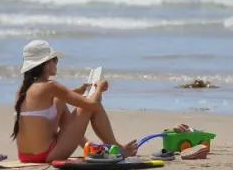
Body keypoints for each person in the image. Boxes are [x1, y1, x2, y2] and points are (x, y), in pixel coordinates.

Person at [11, 40, 139, 163]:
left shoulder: (22, 90)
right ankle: (118, 149)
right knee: (92, 107)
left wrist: (80, 90)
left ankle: (89, 146)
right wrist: (99, 88)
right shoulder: (50, 86)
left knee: (60, 102)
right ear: (46, 63)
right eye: (55, 60)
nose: (56, 63)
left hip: (24, 156)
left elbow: (56, 98)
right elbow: (92, 105)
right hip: (48, 154)